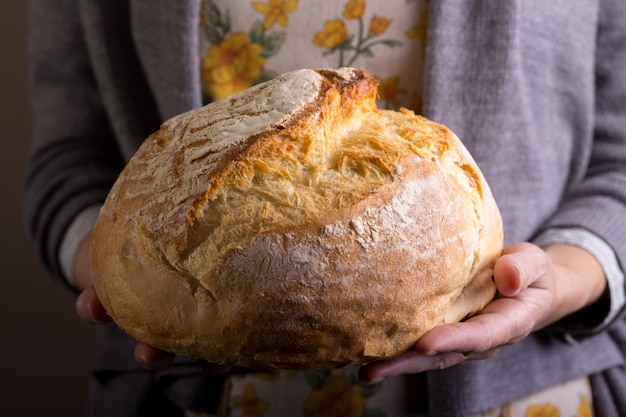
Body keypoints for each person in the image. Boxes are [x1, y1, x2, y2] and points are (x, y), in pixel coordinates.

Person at [24, 0, 626, 416]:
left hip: (525, 394)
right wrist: (123, 278)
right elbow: (68, 159)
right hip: (180, 398)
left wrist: (567, 275)